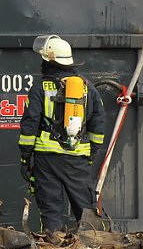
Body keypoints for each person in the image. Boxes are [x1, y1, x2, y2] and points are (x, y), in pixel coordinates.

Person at [18, 35, 107, 237]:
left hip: (46, 160)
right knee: (86, 210)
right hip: (78, 160)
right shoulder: (88, 88)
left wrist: (25, 158)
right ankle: (95, 248)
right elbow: (98, 126)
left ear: (50, 61)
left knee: (50, 211)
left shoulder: (40, 88)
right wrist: (90, 154)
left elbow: (29, 126)